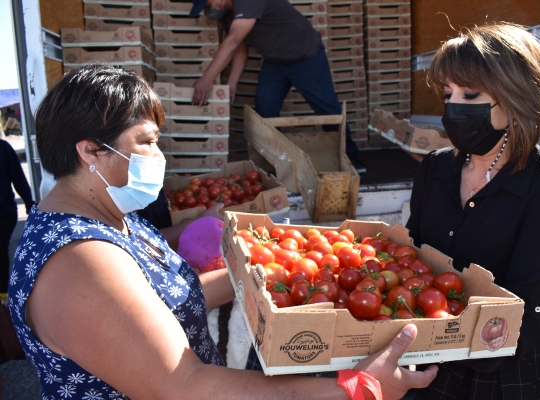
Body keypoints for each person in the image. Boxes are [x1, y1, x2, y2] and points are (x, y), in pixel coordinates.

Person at [8, 63, 437, 399]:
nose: (159, 156)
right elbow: (182, 388)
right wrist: (355, 388)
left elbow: (172, 295)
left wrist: (274, 275)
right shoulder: (79, 259)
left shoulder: (111, 215)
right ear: (90, 152)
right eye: (146, 141)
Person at [405, 23, 540, 399]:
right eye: (447, 93)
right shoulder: (435, 169)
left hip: (502, 366)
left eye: (470, 94)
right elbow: (411, 257)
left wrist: (449, 342)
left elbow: (531, 304)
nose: (454, 107)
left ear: (516, 99)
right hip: (427, 355)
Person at [188, 0, 368, 174]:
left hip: (305, 57)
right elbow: (240, 46)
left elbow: (233, 40)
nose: (207, 11)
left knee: (327, 108)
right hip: (275, 62)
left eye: (206, 4)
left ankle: (351, 158)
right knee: (266, 108)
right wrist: (233, 82)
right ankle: (280, 162)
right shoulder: (228, 15)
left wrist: (206, 79)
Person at [0, 138, 33, 294]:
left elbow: (18, 178)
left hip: (4, 213)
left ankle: (3, 294)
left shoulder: (3, 148)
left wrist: (29, 203)